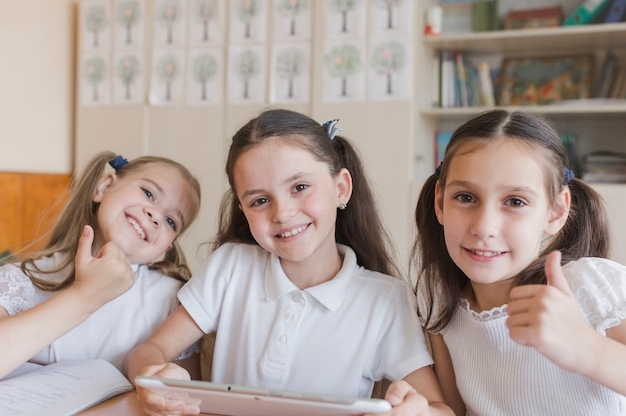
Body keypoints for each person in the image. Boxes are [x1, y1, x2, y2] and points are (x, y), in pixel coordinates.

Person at [126, 108, 453, 416]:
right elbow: (148, 351)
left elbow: (439, 408)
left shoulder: (386, 300)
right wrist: (153, 378)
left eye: (299, 187)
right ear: (243, 208)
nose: (282, 213)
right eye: (260, 200)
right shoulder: (231, 267)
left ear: (341, 188)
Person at [413, 109, 626, 416]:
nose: (484, 226)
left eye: (515, 202)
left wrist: (589, 350)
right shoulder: (437, 291)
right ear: (440, 202)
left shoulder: (589, 285)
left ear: (555, 212)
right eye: (465, 197)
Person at [0, 151, 202, 379]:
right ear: (104, 187)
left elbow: (184, 398)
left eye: (170, 221)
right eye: (148, 193)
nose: (156, 215)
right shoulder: (20, 280)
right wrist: (85, 295)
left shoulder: (173, 303)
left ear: (162, 250)